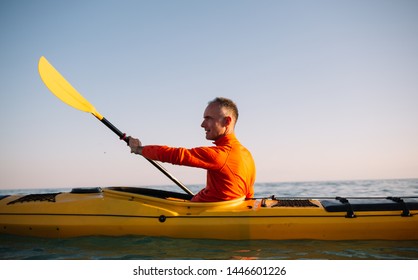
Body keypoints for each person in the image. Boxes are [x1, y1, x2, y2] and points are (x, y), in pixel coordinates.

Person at [128, 97, 256, 202]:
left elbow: (176, 155)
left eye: (208, 118)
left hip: (204, 213)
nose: (202, 124)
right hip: (217, 207)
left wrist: (139, 149)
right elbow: (248, 197)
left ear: (227, 121)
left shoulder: (221, 155)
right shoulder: (246, 155)